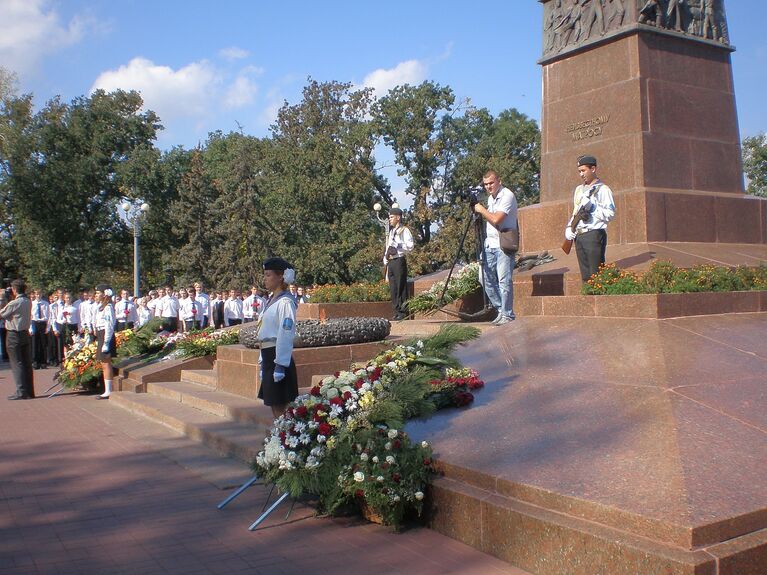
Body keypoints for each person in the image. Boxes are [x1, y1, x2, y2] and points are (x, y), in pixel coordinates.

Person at [474, 170, 518, 326]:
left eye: (491, 183)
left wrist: (481, 210)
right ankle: (501, 309)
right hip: (490, 244)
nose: (488, 187)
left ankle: (508, 314)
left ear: (499, 180)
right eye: (485, 184)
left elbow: (497, 219)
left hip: (503, 244)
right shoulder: (491, 198)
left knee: (504, 280)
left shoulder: (507, 195)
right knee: (483, 277)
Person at [256, 257, 299, 418]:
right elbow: (265, 332)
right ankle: (280, 438)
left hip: (278, 357)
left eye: (268, 275)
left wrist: (280, 364)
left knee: (281, 406)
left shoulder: (285, 302)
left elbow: (285, 333)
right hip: (269, 356)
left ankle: (285, 439)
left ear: (280, 276)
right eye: (265, 275)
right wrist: (262, 359)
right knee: (274, 403)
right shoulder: (270, 301)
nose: (265, 279)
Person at [564, 155, 616, 282]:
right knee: (586, 276)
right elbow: (576, 212)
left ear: (593, 169)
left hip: (594, 234)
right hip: (579, 235)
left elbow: (610, 213)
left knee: (596, 274)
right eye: (579, 171)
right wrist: (569, 227)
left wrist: (593, 208)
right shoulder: (579, 190)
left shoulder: (603, 190)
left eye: (583, 170)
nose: (581, 174)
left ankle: (598, 299)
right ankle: (588, 299)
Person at [1, 279, 35, 399]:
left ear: (15, 290)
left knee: (16, 363)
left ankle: (21, 391)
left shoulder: (14, 303)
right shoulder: (28, 301)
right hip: (24, 333)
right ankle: (30, 391)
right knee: (26, 363)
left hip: (14, 334)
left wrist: (3, 300)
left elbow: (1, 314)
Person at [383, 207, 414, 321]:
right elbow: (389, 246)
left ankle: (403, 311)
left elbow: (410, 246)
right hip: (391, 261)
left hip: (399, 260)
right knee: (393, 287)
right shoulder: (392, 231)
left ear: (398, 217)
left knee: (401, 286)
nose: (389, 219)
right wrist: (385, 257)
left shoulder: (404, 230)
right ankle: (396, 310)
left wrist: (399, 245)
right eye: (389, 217)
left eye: (391, 217)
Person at [93, 284, 116, 399]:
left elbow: (109, 325)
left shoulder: (108, 307)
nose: (96, 295)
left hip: (106, 335)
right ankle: (107, 389)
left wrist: (106, 342)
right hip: (101, 334)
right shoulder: (101, 306)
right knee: (103, 363)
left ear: (104, 294)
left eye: (98, 293)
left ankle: (108, 390)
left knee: (106, 363)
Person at [29, 289, 50, 369]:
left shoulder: (46, 303)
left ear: (41, 294)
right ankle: (35, 362)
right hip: (35, 322)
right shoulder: (32, 304)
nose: (38, 295)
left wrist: (47, 327)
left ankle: (43, 362)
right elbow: (30, 317)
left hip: (43, 323)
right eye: (37, 294)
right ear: (35, 295)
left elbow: (48, 316)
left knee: (43, 343)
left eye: (39, 294)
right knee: (35, 343)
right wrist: (30, 328)